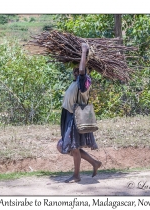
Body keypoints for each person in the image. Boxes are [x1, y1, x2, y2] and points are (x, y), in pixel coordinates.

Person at [57, 42, 102, 183]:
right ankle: (94, 163)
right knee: (64, 146)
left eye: (79, 68)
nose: (76, 71)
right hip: (69, 117)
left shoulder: (85, 81)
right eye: (75, 69)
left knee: (74, 147)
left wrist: (84, 51)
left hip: (75, 118)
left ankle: (76, 176)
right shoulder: (75, 82)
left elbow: (83, 72)